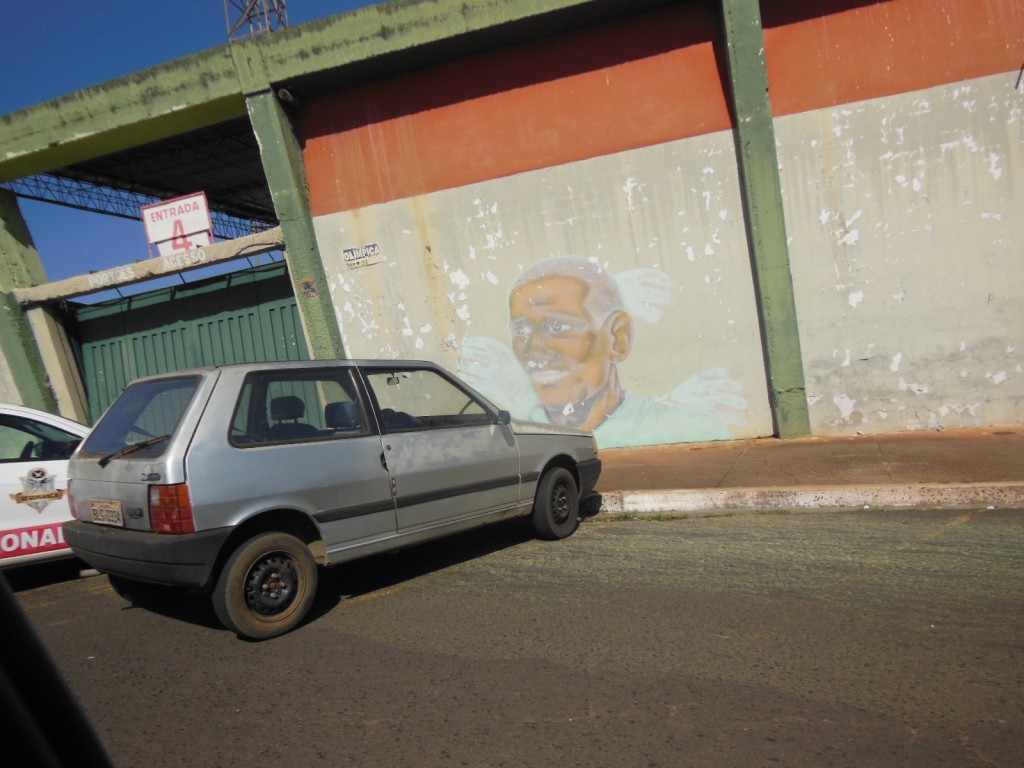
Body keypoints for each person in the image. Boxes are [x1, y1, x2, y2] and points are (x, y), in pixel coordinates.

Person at [459, 256, 740, 448]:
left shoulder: (696, 430)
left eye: (558, 326)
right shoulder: (516, 437)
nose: (535, 350)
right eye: (520, 331)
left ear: (618, 337)